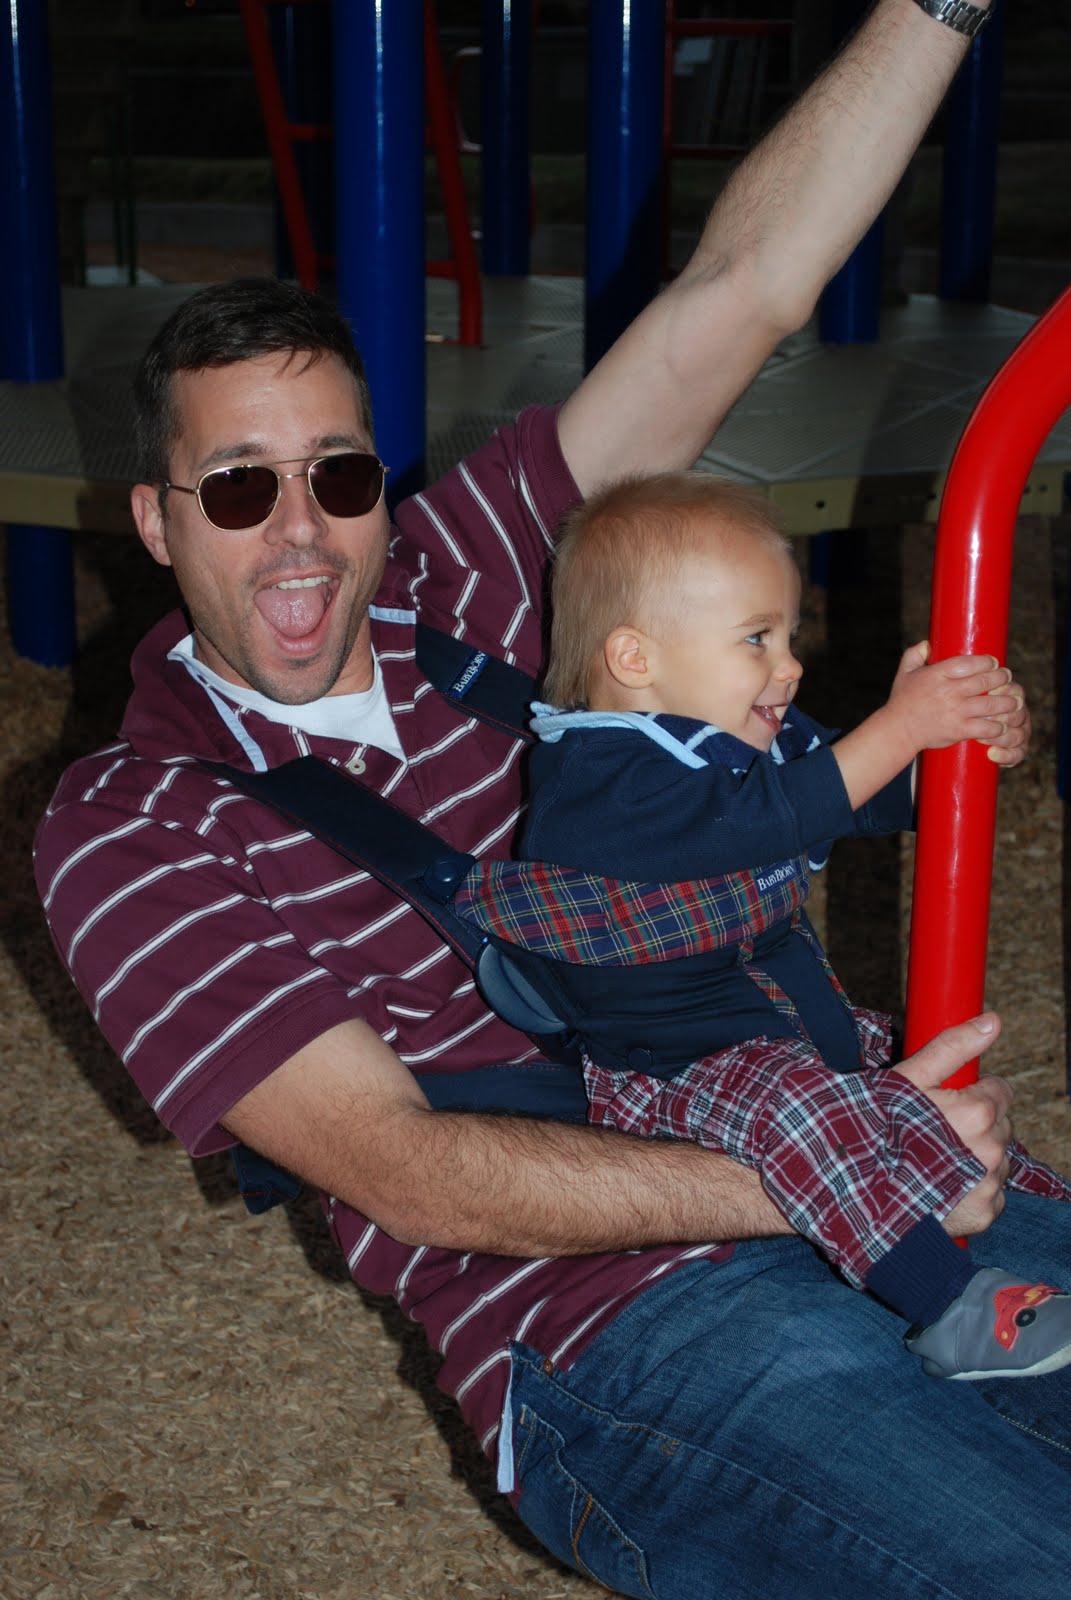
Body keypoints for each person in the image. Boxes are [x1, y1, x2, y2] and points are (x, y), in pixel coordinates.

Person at [32, 3, 1071, 1593]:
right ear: (158, 523)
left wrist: (939, 6)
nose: (299, 531)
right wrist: (838, 1177)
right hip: (624, 1325)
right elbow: (406, 1170)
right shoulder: (132, 826)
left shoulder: (488, 575)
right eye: (237, 487)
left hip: (857, 1156)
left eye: (338, 474)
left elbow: (742, 290)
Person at [453, 471, 1071, 1380]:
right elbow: (764, 817)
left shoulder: (736, 732)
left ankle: (1045, 1211)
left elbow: (855, 797)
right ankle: (948, 1304)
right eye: (757, 639)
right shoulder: (599, 775)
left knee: (924, 1078)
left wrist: (949, 752)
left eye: (787, 635)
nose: (789, 666)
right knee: (811, 1118)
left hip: (780, 1022)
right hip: (677, 1070)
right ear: (634, 658)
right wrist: (899, 727)